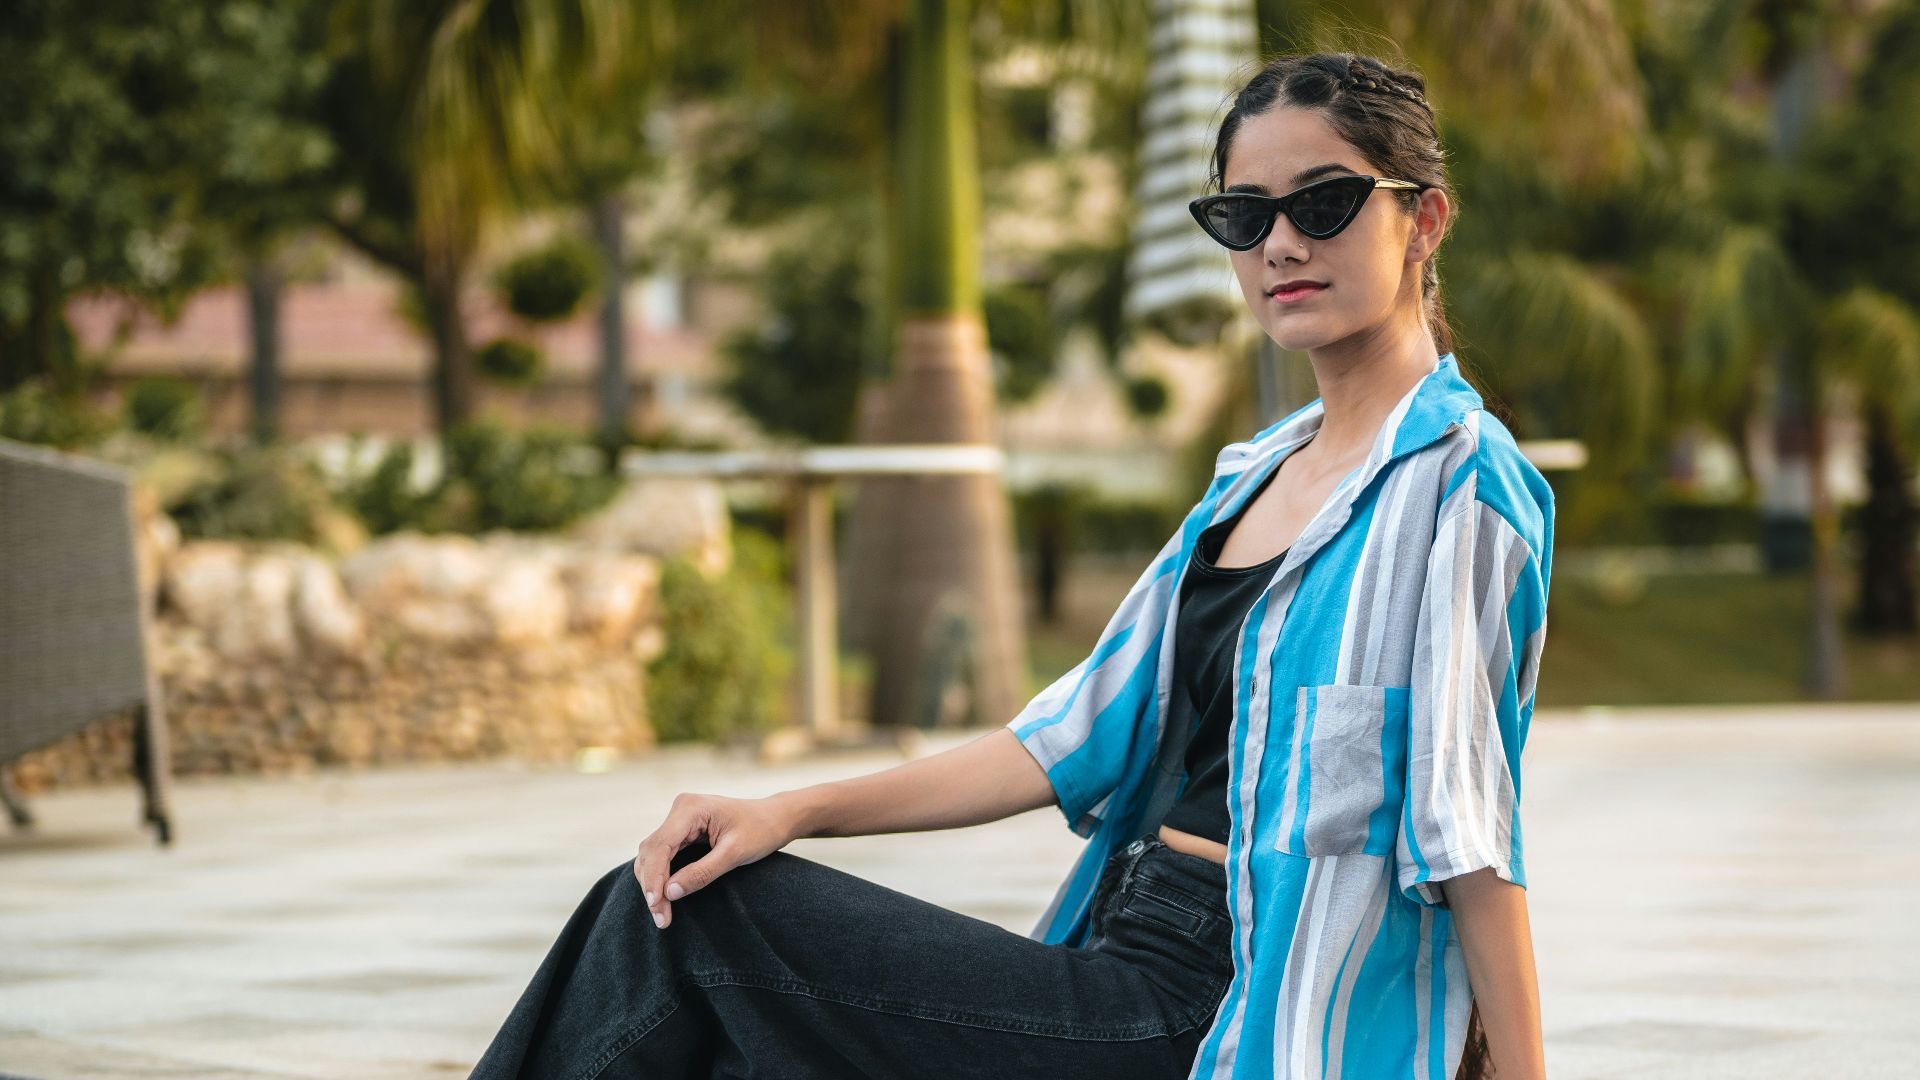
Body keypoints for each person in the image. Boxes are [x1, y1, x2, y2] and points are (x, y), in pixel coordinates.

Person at [468, 51, 1553, 1080]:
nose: (1278, 245)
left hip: (1232, 1009)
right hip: (1120, 949)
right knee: (684, 927)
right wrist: (787, 811)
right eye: (1242, 214)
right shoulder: (1253, 477)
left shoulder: (1463, 488)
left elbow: (1462, 828)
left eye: (1322, 203)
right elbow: (1062, 739)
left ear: (1424, 220)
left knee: (686, 928)